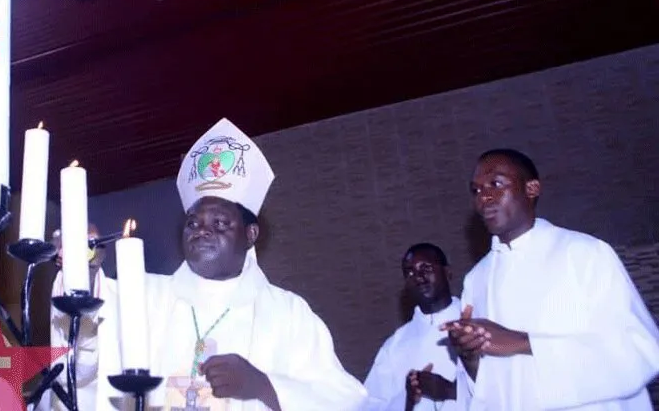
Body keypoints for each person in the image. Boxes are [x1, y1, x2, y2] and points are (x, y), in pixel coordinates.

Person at [78, 117, 367, 410]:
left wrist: (263, 385)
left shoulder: (288, 314)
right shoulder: (142, 295)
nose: (202, 230)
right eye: (193, 222)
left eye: (220, 222)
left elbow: (346, 398)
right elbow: (82, 357)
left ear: (250, 234)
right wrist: (84, 269)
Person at [441, 148, 659, 410]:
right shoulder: (476, 280)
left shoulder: (584, 253)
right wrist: (470, 357)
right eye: (475, 190)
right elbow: (490, 391)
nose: (483, 197)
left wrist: (522, 342)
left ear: (532, 188)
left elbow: (636, 350)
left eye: (496, 184)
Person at [364, 243, 460, 411]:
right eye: (410, 272)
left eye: (426, 268)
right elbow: (372, 405)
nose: (419, 277)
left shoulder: (476, 322)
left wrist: (451, 391)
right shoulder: (394, 346)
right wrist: (407, 400)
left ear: (447, 272)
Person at [37, 224, 118, 410]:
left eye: (91, 243)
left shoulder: (124, 297)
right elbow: (70, 370)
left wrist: (89, 275)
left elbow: (86, 365)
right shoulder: (59, 292)